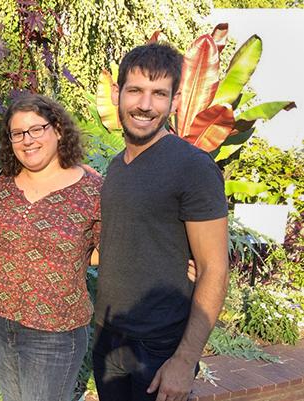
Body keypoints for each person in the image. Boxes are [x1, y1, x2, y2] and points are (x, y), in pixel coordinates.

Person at [92, 42, 230, 401]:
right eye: (135, 90)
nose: (144, 105)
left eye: (158, 93)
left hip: (160, 347)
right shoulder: (117, 166)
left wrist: (185, 360)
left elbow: (214, 268)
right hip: (109, 336)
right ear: (117, 93)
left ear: (176, 100)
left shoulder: (194, 168)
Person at [0, 94, 102, 401]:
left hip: (55, 332)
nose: (28, 140)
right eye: (18, 133)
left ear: (59, 130)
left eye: (37, 129)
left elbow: (114, 249)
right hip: (2, 324)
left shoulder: (91, 188)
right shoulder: (3, 184)